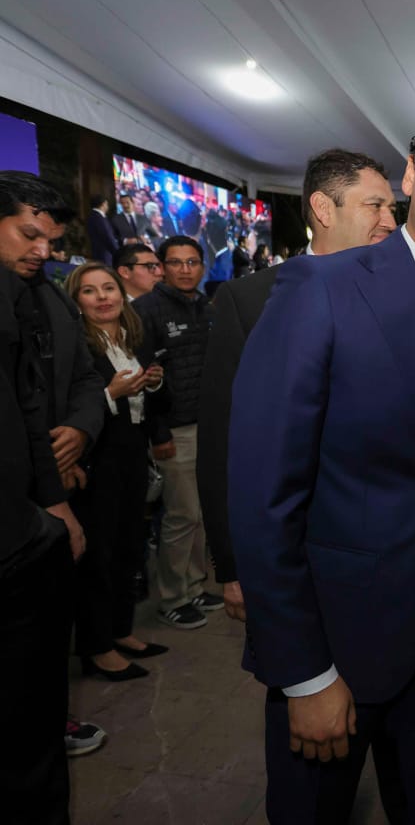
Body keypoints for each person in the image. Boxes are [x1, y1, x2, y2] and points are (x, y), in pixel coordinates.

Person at [228, 89, 415, 824]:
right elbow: (264, 499)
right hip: (336, 655)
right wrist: (303, 673)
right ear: (411, 173)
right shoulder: (320, 290)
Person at [196, 150, 406, 822]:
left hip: (378, 575)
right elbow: (225, 445)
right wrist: (233, 567)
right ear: (322, 207)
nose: (390, 218)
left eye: (392, 206)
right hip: (295, 571)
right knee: (309, 784)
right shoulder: (250, 300)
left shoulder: (402, 295)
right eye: (375, 204)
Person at [0, 171, 102, 824]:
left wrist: (81, 431)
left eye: (51, 240)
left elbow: (85, 378)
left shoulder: (53, 301)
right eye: (28, 234)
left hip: (53, 498)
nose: (42, 251)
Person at [66, 263, 169, 682]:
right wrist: (111, 394)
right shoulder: (76, 345)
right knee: (99, 556)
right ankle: (97, 647)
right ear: (76, 300)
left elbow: (146, 401)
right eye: (89, 291)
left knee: (129, 548)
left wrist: (153, 382)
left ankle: (121, 630)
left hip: (131, 454)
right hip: (98, 459)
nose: (102, 297)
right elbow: (72, 406)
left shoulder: (131, 336)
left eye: (108, 288)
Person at [134, 235, 221, 629]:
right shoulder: (145, 311)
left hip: (207, 426)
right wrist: (159, 434)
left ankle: (194, 585)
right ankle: (173, 597)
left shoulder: (206, 307)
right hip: (173, 430)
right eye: (175, 262)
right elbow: (143, 378)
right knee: (181, 514)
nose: (185, 269)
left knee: (201, 513)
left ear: (202, 266)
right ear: (162, 267)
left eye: (192, 262)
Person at [86, 194, 120, 264]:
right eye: (107, 204)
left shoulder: (92, 216)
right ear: (104, 204)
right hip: (104, 256)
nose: (107, 206)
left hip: (99, 254)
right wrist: (118, 253)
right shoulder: (99, 218)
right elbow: (108, 237)